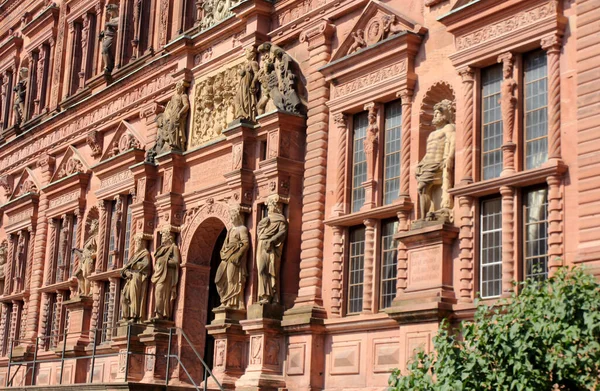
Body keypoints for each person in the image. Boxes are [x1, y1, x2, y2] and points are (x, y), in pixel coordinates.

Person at [415, 99, 456, 221]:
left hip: (438, 164)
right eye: (435, 113)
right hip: (427, 164)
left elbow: (453, 143)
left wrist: (449, 158)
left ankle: (426, 215)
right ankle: (424, 217)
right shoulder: (433, 133)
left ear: (445, 115)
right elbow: (428, 152)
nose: (435, 115)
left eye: (438, 113)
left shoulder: (449, 128)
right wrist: (420, 164)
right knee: (422, 189)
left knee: (421, 187)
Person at [215, 206, 249, 309]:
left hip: (233, 258)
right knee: (218, 280)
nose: (232, 218)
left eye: (233, 216)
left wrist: (238, 255)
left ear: (237, 216)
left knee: (231, 279)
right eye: (231, 216)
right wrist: (222, 253)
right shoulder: (230, 230)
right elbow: (225, 244)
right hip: (226, 257)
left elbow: (245, 243)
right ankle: (224, 299)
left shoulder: (242, 229)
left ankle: (231, 303)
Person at [256, 195, 288, 304]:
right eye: (268, 206)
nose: (269, 208)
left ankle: (270, 295)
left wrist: (272, 240)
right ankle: (264, 294)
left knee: (268, 270)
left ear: (276, 206)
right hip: (261, 245)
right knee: (260, 270)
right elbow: (259, 232)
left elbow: (282, 232)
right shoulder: (266, 220)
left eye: (271, 205)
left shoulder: (280, 219)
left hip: (270, 247)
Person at [120, 235, 151, 322]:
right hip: (130, 277)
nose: (136, 244)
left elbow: (146, 265)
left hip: (137, 277)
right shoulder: (134, 255)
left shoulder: (145, 254)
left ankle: (134, 316)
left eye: (138, 242)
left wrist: (132, 267)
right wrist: (127, 272)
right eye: (136, 243)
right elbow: (125, 269)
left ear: (142, 243)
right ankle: (125, 316)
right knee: (124, 297)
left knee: (134, 296)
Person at [151, 230, 180, 320]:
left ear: (169, 237)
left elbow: (176, 262)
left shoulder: (173, 248)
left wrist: (164, 262)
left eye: (164, 236)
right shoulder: (161, 250)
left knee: (161, 292)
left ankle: (162, 314)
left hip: (167, 275)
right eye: (162, 236)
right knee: (157, 292)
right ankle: (159, 313)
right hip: (160, 274)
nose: (162, 238)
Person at [73, 219, 99, 297]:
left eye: (92, 225)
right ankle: (83, 291)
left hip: (88, 258)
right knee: (78, 274)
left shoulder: (97, 237)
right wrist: (77, 250)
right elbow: (85, 249)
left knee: (86, 275)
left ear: (96, 226)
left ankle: (87, 293)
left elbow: (100, 249)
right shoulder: (91, 237)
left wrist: (94, 255)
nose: (90, 226)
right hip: (83, 259)